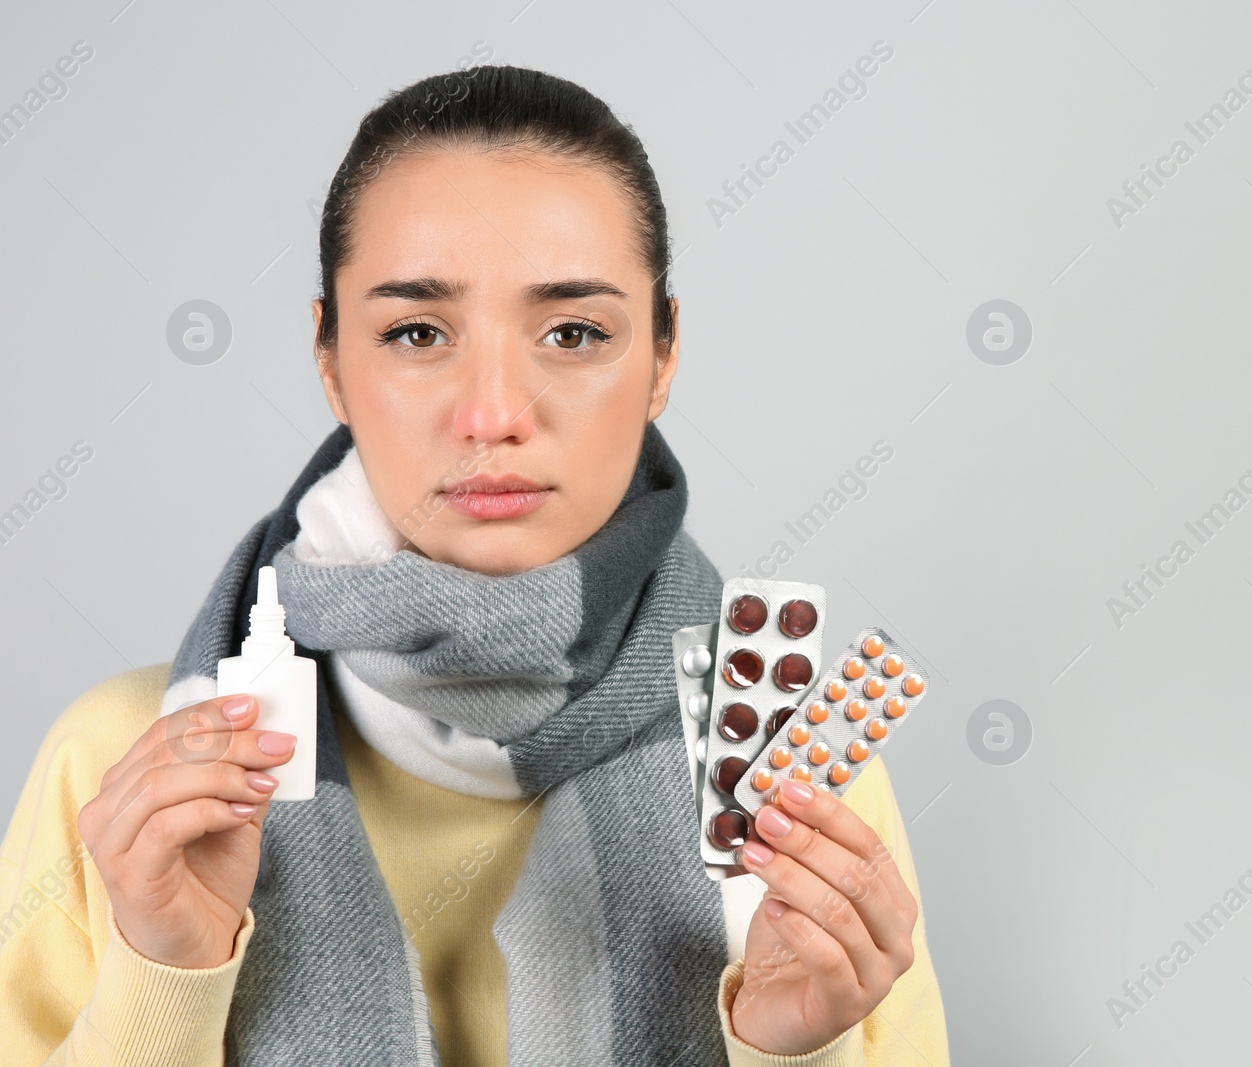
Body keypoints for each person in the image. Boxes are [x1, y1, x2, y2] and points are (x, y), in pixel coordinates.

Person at [0, 65, 949, 1066]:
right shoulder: (126, 762)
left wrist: (788, 1049)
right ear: (329, 359)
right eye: (416, 331)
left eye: (573, 332)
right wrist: (163, 977)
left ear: (663, 355)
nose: (493, 412)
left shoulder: (791, 780)